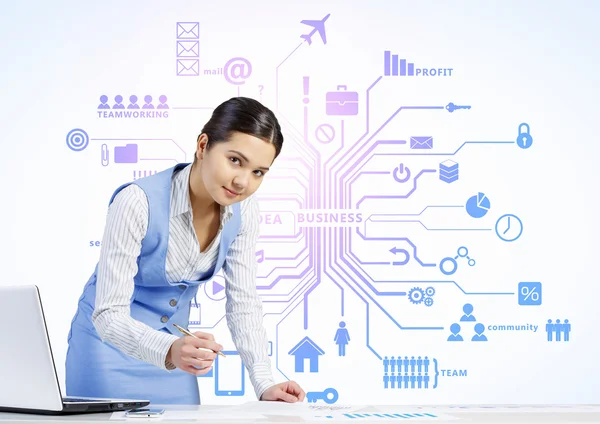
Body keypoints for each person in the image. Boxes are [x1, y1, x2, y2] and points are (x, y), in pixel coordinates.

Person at [65, 97, 305, 405]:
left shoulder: (244, 211)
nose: (243, 181)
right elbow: (108, 315)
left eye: (258, 172)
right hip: (107, 349)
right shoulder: (136, 202)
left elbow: (243, 303)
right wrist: (168, 349)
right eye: (235, 160)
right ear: (203, 146)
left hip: (177, 357)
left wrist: (264, 383)